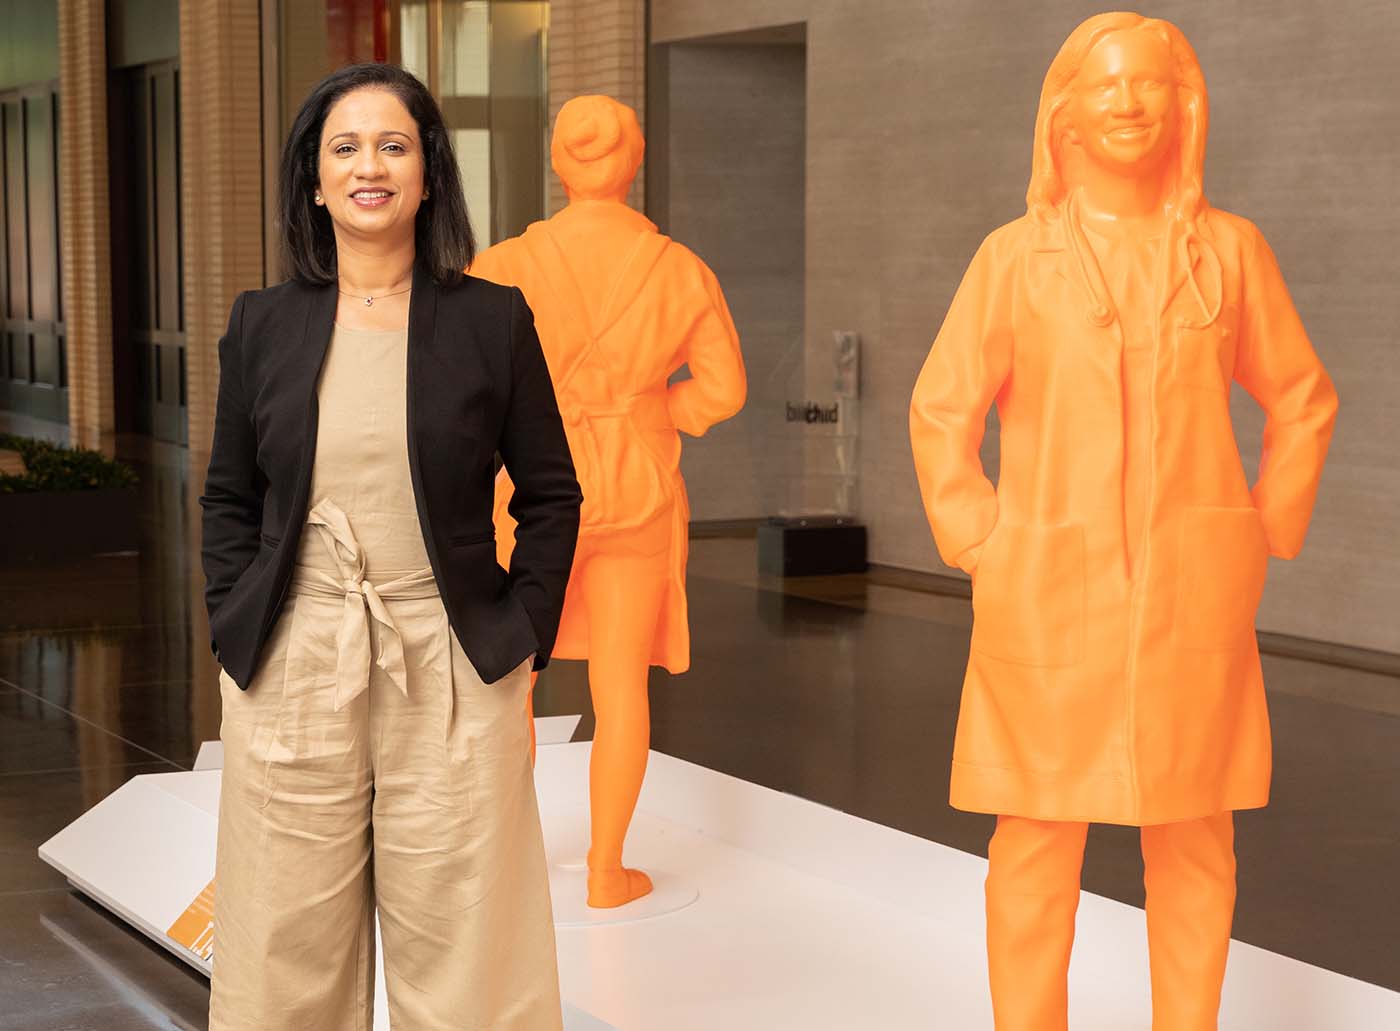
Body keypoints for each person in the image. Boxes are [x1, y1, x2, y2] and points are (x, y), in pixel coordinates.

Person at [909, 14, 1337, 1030]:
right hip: (1045, 597)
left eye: (1149, 84)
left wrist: (1259, 528)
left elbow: (1301, 394)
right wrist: (981, 538)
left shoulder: (1227, 253)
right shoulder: (1012, 259)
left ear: (1183, 107)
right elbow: (940, 410)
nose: (1128, 103)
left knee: (1194, 833)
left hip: (1190, 596)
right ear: (1061, 109)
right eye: (1104, 86)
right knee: (1035, 833)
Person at [199, 63, 580, 1030]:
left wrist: (523, 633)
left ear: (428, 175)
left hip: (450, 663)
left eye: (393, 145)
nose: (370, 165)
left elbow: (551, 495)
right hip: (295, 660)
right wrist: (231, 619)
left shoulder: (491, 320)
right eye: (345, 147)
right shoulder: (262, 323)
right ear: (314, 181)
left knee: (466, 948)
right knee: (284, 943)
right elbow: (229, 496)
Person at [472, 95, 747, 908]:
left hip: (527, 493)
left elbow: (463, 385)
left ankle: (504, 863)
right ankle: (604, 869)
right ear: (637, 161)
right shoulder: (680, 270)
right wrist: (661, 411)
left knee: (507, 681)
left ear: (560, 164)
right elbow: (724, 389)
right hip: (635, 490)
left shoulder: (502, 266)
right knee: (621, 686)